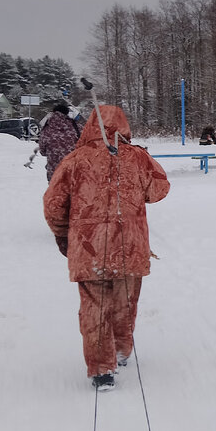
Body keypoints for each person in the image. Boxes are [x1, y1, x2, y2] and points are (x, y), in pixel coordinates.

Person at [43, 105, 170, 391]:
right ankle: (122, 349)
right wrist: (138, 162)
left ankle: (102, 369)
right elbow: (159, 189)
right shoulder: (137, 158)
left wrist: (64, 236)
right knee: (125, 302)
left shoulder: (74, 161)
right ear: (124, 126)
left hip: (89, 249)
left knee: (94, 308)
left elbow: (53, 205)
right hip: (130, 247)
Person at [37, 102, 81, 182]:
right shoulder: (76, 126)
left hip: (54, 172)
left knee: (55, 193)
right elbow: (84, 144)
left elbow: (42, 151)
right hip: (72, 170)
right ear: (67, 113)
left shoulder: (46, 128)